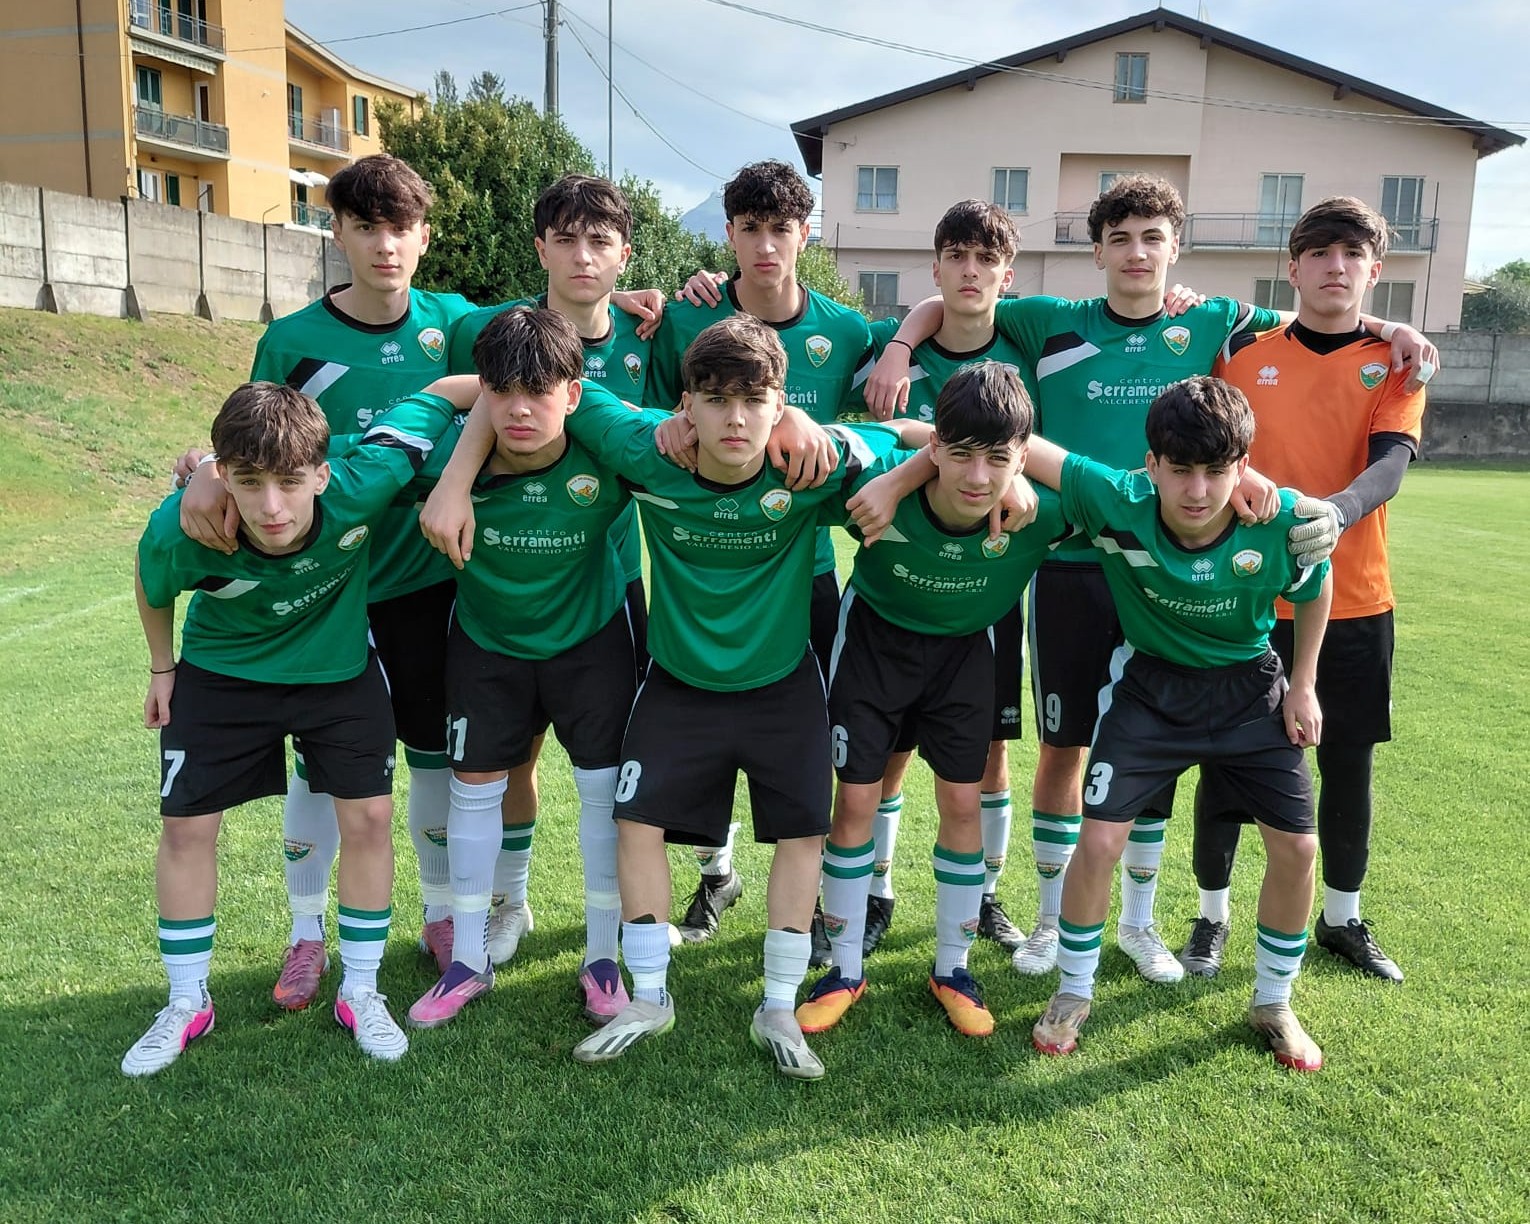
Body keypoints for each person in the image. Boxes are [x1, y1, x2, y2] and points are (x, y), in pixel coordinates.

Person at [864, 174, 1434, 986]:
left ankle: (1137, 923)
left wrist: (1392, 325)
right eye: (1121, 239)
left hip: (1169, 570)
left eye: (1153, 238)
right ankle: (1052, 920)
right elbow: (957, 303)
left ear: (1176, 248)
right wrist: (896, 345)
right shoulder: (1048, 319)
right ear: (1097, 252)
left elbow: (1319, 316)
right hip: (1069, 563)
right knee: (1064, 746)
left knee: (1152, 748)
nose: (1137, 253)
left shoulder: (1211, 319)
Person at [424, 316, 915, 1078]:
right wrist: (456, 479)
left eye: (755, 401)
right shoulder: (648, 453)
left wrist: (875, 460)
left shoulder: (809, 465)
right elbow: (508, 391)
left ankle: (777, 1004)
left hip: (781, 684)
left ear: (780, 403)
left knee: (801, 836)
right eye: (715, 400)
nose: (735, 419)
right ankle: (650, 994)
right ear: (684, 406)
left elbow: (920, 438)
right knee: (635, 822)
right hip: (677, 684)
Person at [175, 154, 476, 1005]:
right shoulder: (294, 341)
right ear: (337, 231)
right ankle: (306, 935)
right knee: (318, 768)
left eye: (401, 227)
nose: (385, 245)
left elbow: (550, 330)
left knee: (431, 760)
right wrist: (206, 468)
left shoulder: (455, 323)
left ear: (424, 236)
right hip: (320, 593)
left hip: (423, 584)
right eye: (366, 227)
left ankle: (440, 914)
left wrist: (636, 301)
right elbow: (250, 438)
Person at [124, 379, 459, 1075]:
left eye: (288, 483)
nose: (271, 506)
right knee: (186, 829)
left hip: (336, 672)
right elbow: (151, 582)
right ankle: (186, 1001)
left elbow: (444, 392)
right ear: (225, 476)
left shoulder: (363, 481)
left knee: (369, 819)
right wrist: (161, 668)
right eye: (249, 483)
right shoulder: (186, 526)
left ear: (322, 475)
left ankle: (361, 990)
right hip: (224, 674)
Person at [1017, 376, 1331, 1071]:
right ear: (1151, 464)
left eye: (1217, 471)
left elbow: (1314, 585)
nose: (1198, 490)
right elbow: (1022, 445)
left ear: (1242, 466)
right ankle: (1073, 991)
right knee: (1099, 839)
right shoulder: (1116, 498)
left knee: (1298, 848)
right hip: (1150, 690)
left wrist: (1304, 686)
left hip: (1250, 691)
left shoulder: (1280, 521)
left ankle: (1274, 1002)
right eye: (1180, 470)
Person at [1184, 197, 1426, 983]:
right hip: (1245, 598)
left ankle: (1343, 919)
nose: (1335, 267)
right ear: (1293, 268)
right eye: (1319, 253)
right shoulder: (1243, 355)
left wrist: (1335, 512)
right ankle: (1211, 916)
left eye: (1351, 254)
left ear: (1374, 271)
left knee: (1347, 762)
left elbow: (1391, 461)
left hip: (1354, 595)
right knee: (1225, 762)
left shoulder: (1395, 361)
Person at [799, 361, 1072, 1039]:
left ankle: (953, 968)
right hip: (873, 648)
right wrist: (900, 475)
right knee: (855, 801)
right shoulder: (876, 481)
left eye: (998, 460)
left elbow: (1141, 493)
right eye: (961, 455)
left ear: (1023, 456)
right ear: (936, 447)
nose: (978, 478)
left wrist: (1253, 485)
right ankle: (843, 969)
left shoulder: (1044, 510)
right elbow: (818, 437)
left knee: (962, 802)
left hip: (964, 658)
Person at [650, 159, 877, 943]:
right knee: (702, 743)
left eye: (782, 228)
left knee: (804, 744)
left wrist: (816, 417)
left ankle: (807, 897)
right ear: (729, 235)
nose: (766, 246)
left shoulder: (846, 331)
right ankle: (717, 874)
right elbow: (650, 415)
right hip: (703, 572)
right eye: (750, 229)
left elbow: (896, 415)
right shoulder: (686, 319)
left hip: (802, 571)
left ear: (806, 234)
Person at [442, 174, 663, 970]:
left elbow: (711, 406)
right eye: (564, 239)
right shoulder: (492, 331)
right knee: (514, 756)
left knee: (628, 758)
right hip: (505, 571)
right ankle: (512, 901)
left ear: (625, 255)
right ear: (539, 248)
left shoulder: (656, 331)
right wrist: (455, 478)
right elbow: (465, 397)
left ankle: (669, 895)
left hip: (607, 581)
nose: (581, 256)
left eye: (599, 242)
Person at [407, 306, 640, 1030]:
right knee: (474, 792)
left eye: (538, 392)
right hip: (488, 645)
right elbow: (323, 461)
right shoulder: (443, 459)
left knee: (603, 797)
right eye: (502, 391)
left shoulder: (609, 451)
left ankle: (602, 957)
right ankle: (468, 960)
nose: (519, 409)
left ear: (573, 395)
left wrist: (792, 422)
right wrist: (209, 473)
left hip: (592, 643)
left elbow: (708, 436)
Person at [835, 199, 1042, 961]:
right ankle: (878, 890)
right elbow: (901, 433)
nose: (971, 271)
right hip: (898, 588)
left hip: (986, 588)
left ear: (1007, 276)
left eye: (987, 259)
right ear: (937, 267)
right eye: (958, 256)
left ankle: (983, 897)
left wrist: (1018, 477)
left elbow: (1023, 444)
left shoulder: (1031, 337)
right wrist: (898, 347)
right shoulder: (898, 354)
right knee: (880, 760)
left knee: (986, 757)